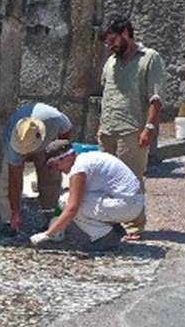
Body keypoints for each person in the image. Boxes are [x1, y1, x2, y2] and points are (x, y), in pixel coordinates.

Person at [98, 15, 166, 240]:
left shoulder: (150, 58)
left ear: (126, 32)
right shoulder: (111, 62)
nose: (110, 46)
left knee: (131, 179)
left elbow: (156, 98)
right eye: (107, 43)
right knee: (106, 180)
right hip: (108, 128)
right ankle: (112, 222)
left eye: (113, 41)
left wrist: (149, 127)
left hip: (132, 129)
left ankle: (134, 225)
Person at [29, 139, 144, 252]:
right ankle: (111, 229)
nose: (57, 169)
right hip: (130, 202)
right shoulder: (85, 159)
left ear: (66, 157)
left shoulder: (79, 169)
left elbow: (72, 208)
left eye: (55, 164)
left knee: (70, 203)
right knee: (67, 199)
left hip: (127, 206)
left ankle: (106, 236)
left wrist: (47, 234)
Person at [0, 102, 73, 235]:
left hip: (47, 143)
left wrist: (59, 154)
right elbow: (14, 181)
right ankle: (10, 220)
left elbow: (66, 132)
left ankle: (52, 217)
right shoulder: (14, 141)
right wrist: (16, 212)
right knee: (6, 182)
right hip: (19, 142)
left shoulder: (54, 119)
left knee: (51, 177)